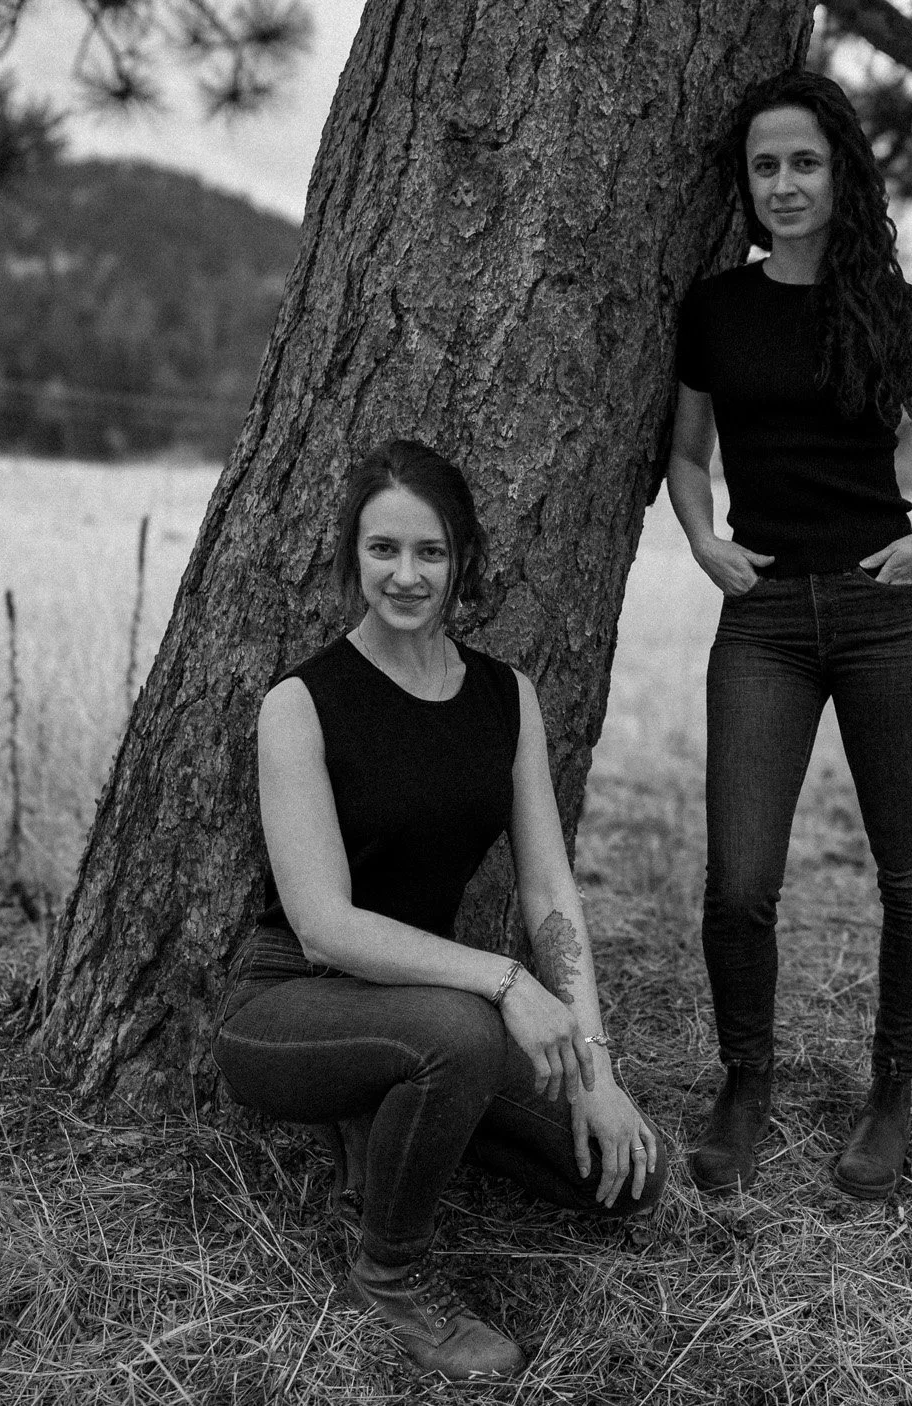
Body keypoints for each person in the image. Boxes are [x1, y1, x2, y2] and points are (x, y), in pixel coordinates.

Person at [216, 439, 664, 1381]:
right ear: (352, 557)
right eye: (383, 550)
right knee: (458, 1034)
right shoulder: (301, 704)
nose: (406, 575)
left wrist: (593, 1067)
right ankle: (392, 1273)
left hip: (424, 1009)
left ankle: (391, 1125)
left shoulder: (507, 697)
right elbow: (323, 926)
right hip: (290, 1004)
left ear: (462, 558)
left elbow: (548, 892)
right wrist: (502, 981)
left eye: (429, 552)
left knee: (624, 1180)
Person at [666, 70, 912, 1200]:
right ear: (744, 186)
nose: (785, 183)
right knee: (739, 880)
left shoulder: (901, 311)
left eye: (804, 161)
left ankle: (890, 1094)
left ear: (839, 173)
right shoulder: (714, 309)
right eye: (765, 165)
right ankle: (743, 1085)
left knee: (910, 873)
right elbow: (688, 453)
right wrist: (703, 540)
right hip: (760, 621)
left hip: (886, 614)